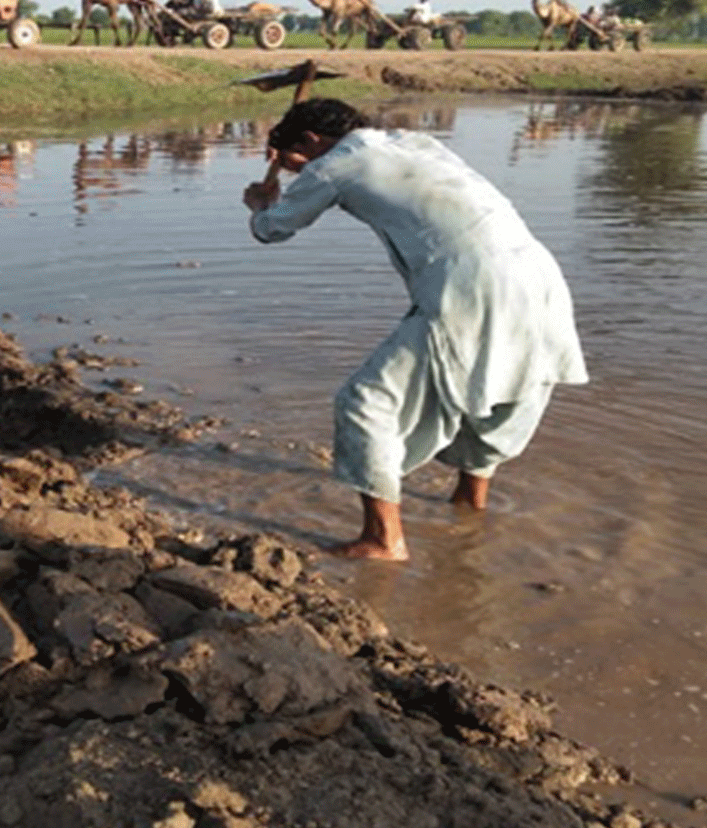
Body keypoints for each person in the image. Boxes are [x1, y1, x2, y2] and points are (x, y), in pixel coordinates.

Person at [242, 98, 587, 561]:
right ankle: (470, 507)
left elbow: (272, 231)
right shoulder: (414, 142)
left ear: (309, 142)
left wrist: (263, 204)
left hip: (472, 282)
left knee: (365, 402)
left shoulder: (333, 167)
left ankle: (384, 541)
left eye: (286, 160)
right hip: (538, 273)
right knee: (499, 388)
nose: (287, 170)